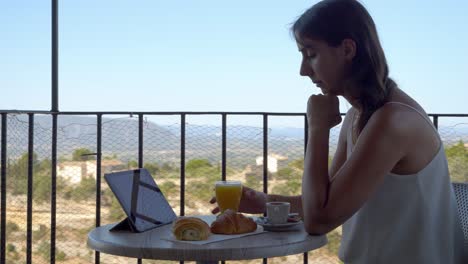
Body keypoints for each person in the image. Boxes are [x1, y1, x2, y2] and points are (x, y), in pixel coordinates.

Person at [210, 0, 466, 263]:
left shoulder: (393, 120)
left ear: (347, 49)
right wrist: (265, 202)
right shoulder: (359, 115)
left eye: (311, 54)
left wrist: (318, 128)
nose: (303, 70)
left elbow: (319, 220)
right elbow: (323, 201)